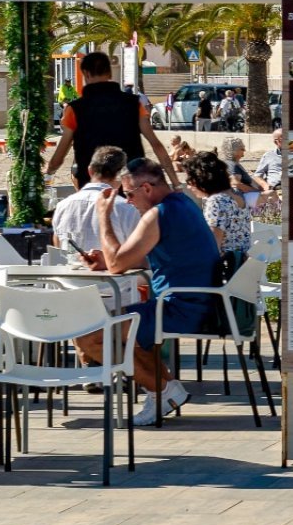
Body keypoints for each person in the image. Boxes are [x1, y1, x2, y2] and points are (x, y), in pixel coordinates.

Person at [76, 158, 218, 424]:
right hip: (199, 302)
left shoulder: (157, 214)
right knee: (128, 331)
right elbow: (147, 257)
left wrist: (103, 216)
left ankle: (161, 390)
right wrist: (110, 261)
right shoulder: (184, 203)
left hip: (179, 307)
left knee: (88, 337)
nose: (128, 201)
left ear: (147, 189)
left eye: (129, 194)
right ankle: (164, 391)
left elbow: (117, 265)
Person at [46, 52, 180, 189]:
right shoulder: (134, 104)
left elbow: (59, 157)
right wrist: (176, 184)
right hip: (131, 189)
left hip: (94, 190)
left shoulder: (74, 109)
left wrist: (48, 174)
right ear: (110, 73)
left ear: (85, 73)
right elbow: (156, 144)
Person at [50, 145, 141, 258]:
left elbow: (57, 248)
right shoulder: (128, 209)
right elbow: (137, 255)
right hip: (111, 268)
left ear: (90, 171)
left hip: (69, 268)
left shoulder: (62, 206)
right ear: (122, 175)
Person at [186, 151, 252, 264]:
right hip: (243, 266)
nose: (188, 186)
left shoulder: (216, 201)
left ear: (202, 179)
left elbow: (212, 246)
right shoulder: (236, 195)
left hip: (226, 269)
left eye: (190, 180)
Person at [220, 136, 267, 207]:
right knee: (271, 194)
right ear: (235, 151)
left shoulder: (231, 163)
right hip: (244, 197)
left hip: (244, 195)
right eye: (242, 149)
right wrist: (255, 190)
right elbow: (235, 184)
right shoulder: (232, 165)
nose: (245, 150)